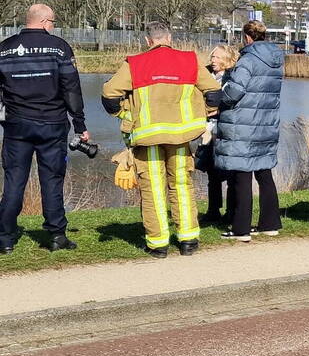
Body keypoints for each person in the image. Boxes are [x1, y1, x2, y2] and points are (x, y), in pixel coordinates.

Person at [101, 22, 222, 258]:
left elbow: (109, 95)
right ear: (169, 38)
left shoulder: (134, 64)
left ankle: (158, 244)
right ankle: (188, 240)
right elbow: (214, 92)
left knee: (153, 189)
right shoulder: (190, 60)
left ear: (148, 41)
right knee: (182, 186)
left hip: (147, 137)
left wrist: (124, 115)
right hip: (181, 136)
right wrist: (203, 112)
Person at [0, 4, 88, 253]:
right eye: (53, 22)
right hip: (52, 125)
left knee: (14, 181)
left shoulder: (4, 49)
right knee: (52, 179)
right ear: (44, 21)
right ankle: (57, 235)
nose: (53, 26)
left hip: (17, 126)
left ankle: (5, 238)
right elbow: (71, 88)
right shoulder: (59, 47)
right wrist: (80, 124)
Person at [216, 20, 284, 241]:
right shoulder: (275, 61)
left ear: (247, 37)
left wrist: (220, 91)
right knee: (265, 174)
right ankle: (270, 224)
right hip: (266, 123)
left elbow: (234, 92)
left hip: (244, 125)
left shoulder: (248, 60)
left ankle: (241, 229)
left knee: (242, 176)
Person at [198, 44, 239, 225]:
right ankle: (213, 210)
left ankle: (231, 212)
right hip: (207, 130)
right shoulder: (205, 74)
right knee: (211, 172)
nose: (213, 60)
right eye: (212, 57)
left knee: (230, 172)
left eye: (217, 57)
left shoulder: (234, 76)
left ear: (227, 59)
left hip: (226, 128)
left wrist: (218, 109)